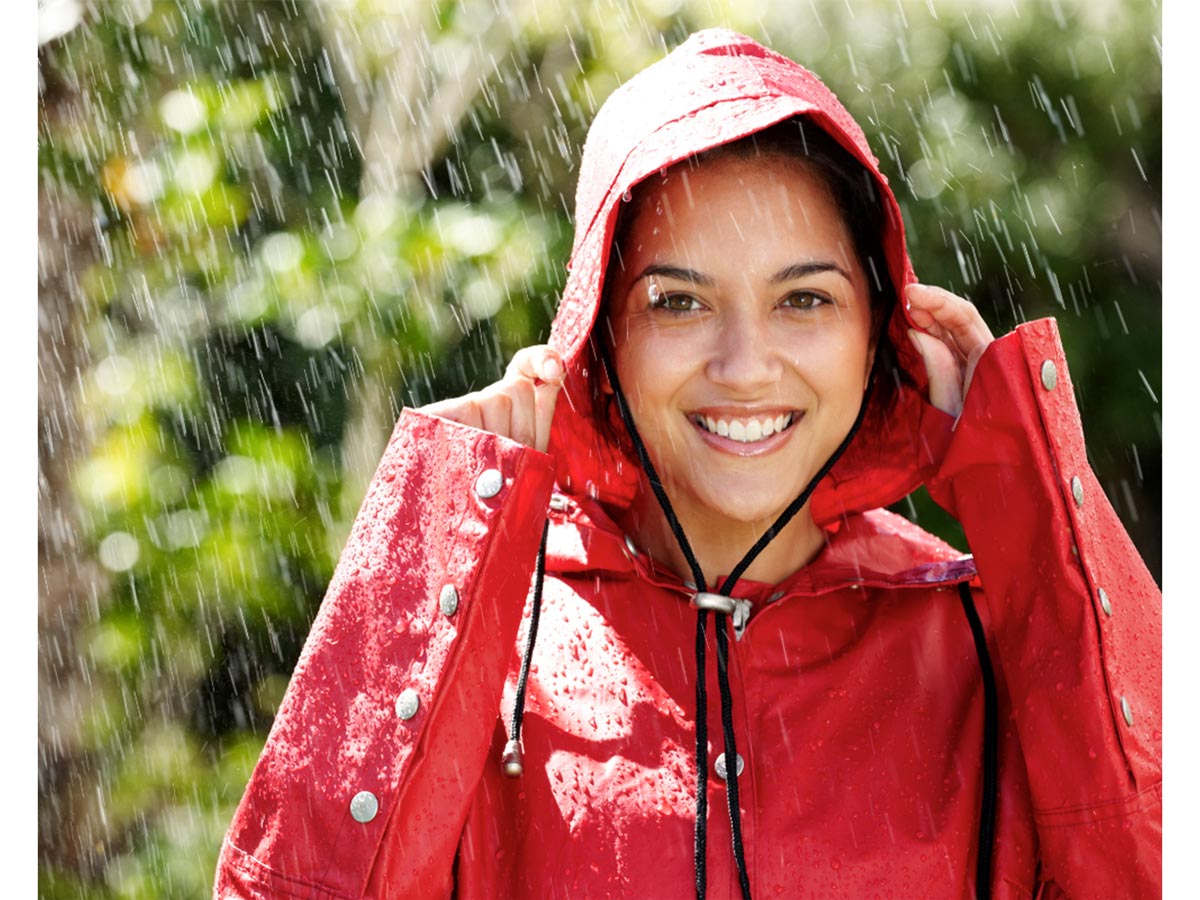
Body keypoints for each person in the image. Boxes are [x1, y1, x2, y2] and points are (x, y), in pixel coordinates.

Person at [214, 29, 1160, 900]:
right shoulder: (487, 641)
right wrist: (436, 537)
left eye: (806, 300)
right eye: (677, 302)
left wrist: (1025, 484)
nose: (746, 366)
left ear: (881, 332)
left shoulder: (982, 638)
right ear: (598, 338)